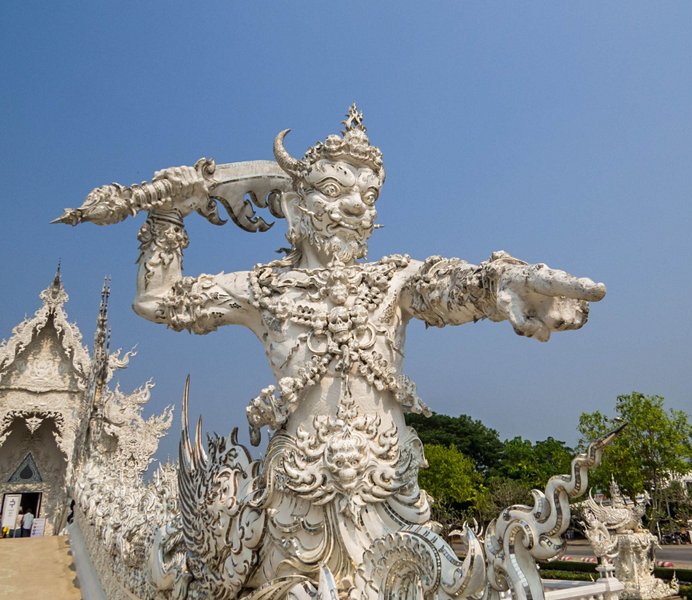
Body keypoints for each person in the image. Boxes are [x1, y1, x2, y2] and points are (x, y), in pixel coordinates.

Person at [100, 105, 606, 596]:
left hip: (391, 494)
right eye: (334, 191)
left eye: (368, 196)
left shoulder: (393, 280)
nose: (355, 207)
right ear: (297, 207)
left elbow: (453, 287)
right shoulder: (264, 289)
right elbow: (160, 300)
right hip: (298, 497)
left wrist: (504, 283)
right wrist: (168, 213)